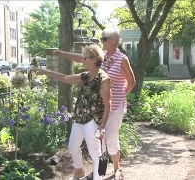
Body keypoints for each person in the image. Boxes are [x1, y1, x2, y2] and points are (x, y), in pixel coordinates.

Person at [53, 26, 136, 180]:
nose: (102, 41)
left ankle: (117, 169)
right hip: (99, 107)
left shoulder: (122, 59)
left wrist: (121, 95)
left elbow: (131, 82)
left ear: (113, 41)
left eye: (104, 38)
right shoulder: (102, 56)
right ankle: (99, 172)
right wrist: (63, 53)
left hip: (115, 106)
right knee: (99, 141)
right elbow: (81, 58)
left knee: (111, 138)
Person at [32, 44, 111, 180]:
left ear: (93, 59)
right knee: (73, 146)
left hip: (93, 120)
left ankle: (98, 178)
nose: (82, 60)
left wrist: (102, 126)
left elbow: (108, 104)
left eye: (84, 58)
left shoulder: (103, 79)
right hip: (80, 117)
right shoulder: (85, 76)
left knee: (95, 152)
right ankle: (79, 171)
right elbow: (65, 78)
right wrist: (45, 72)